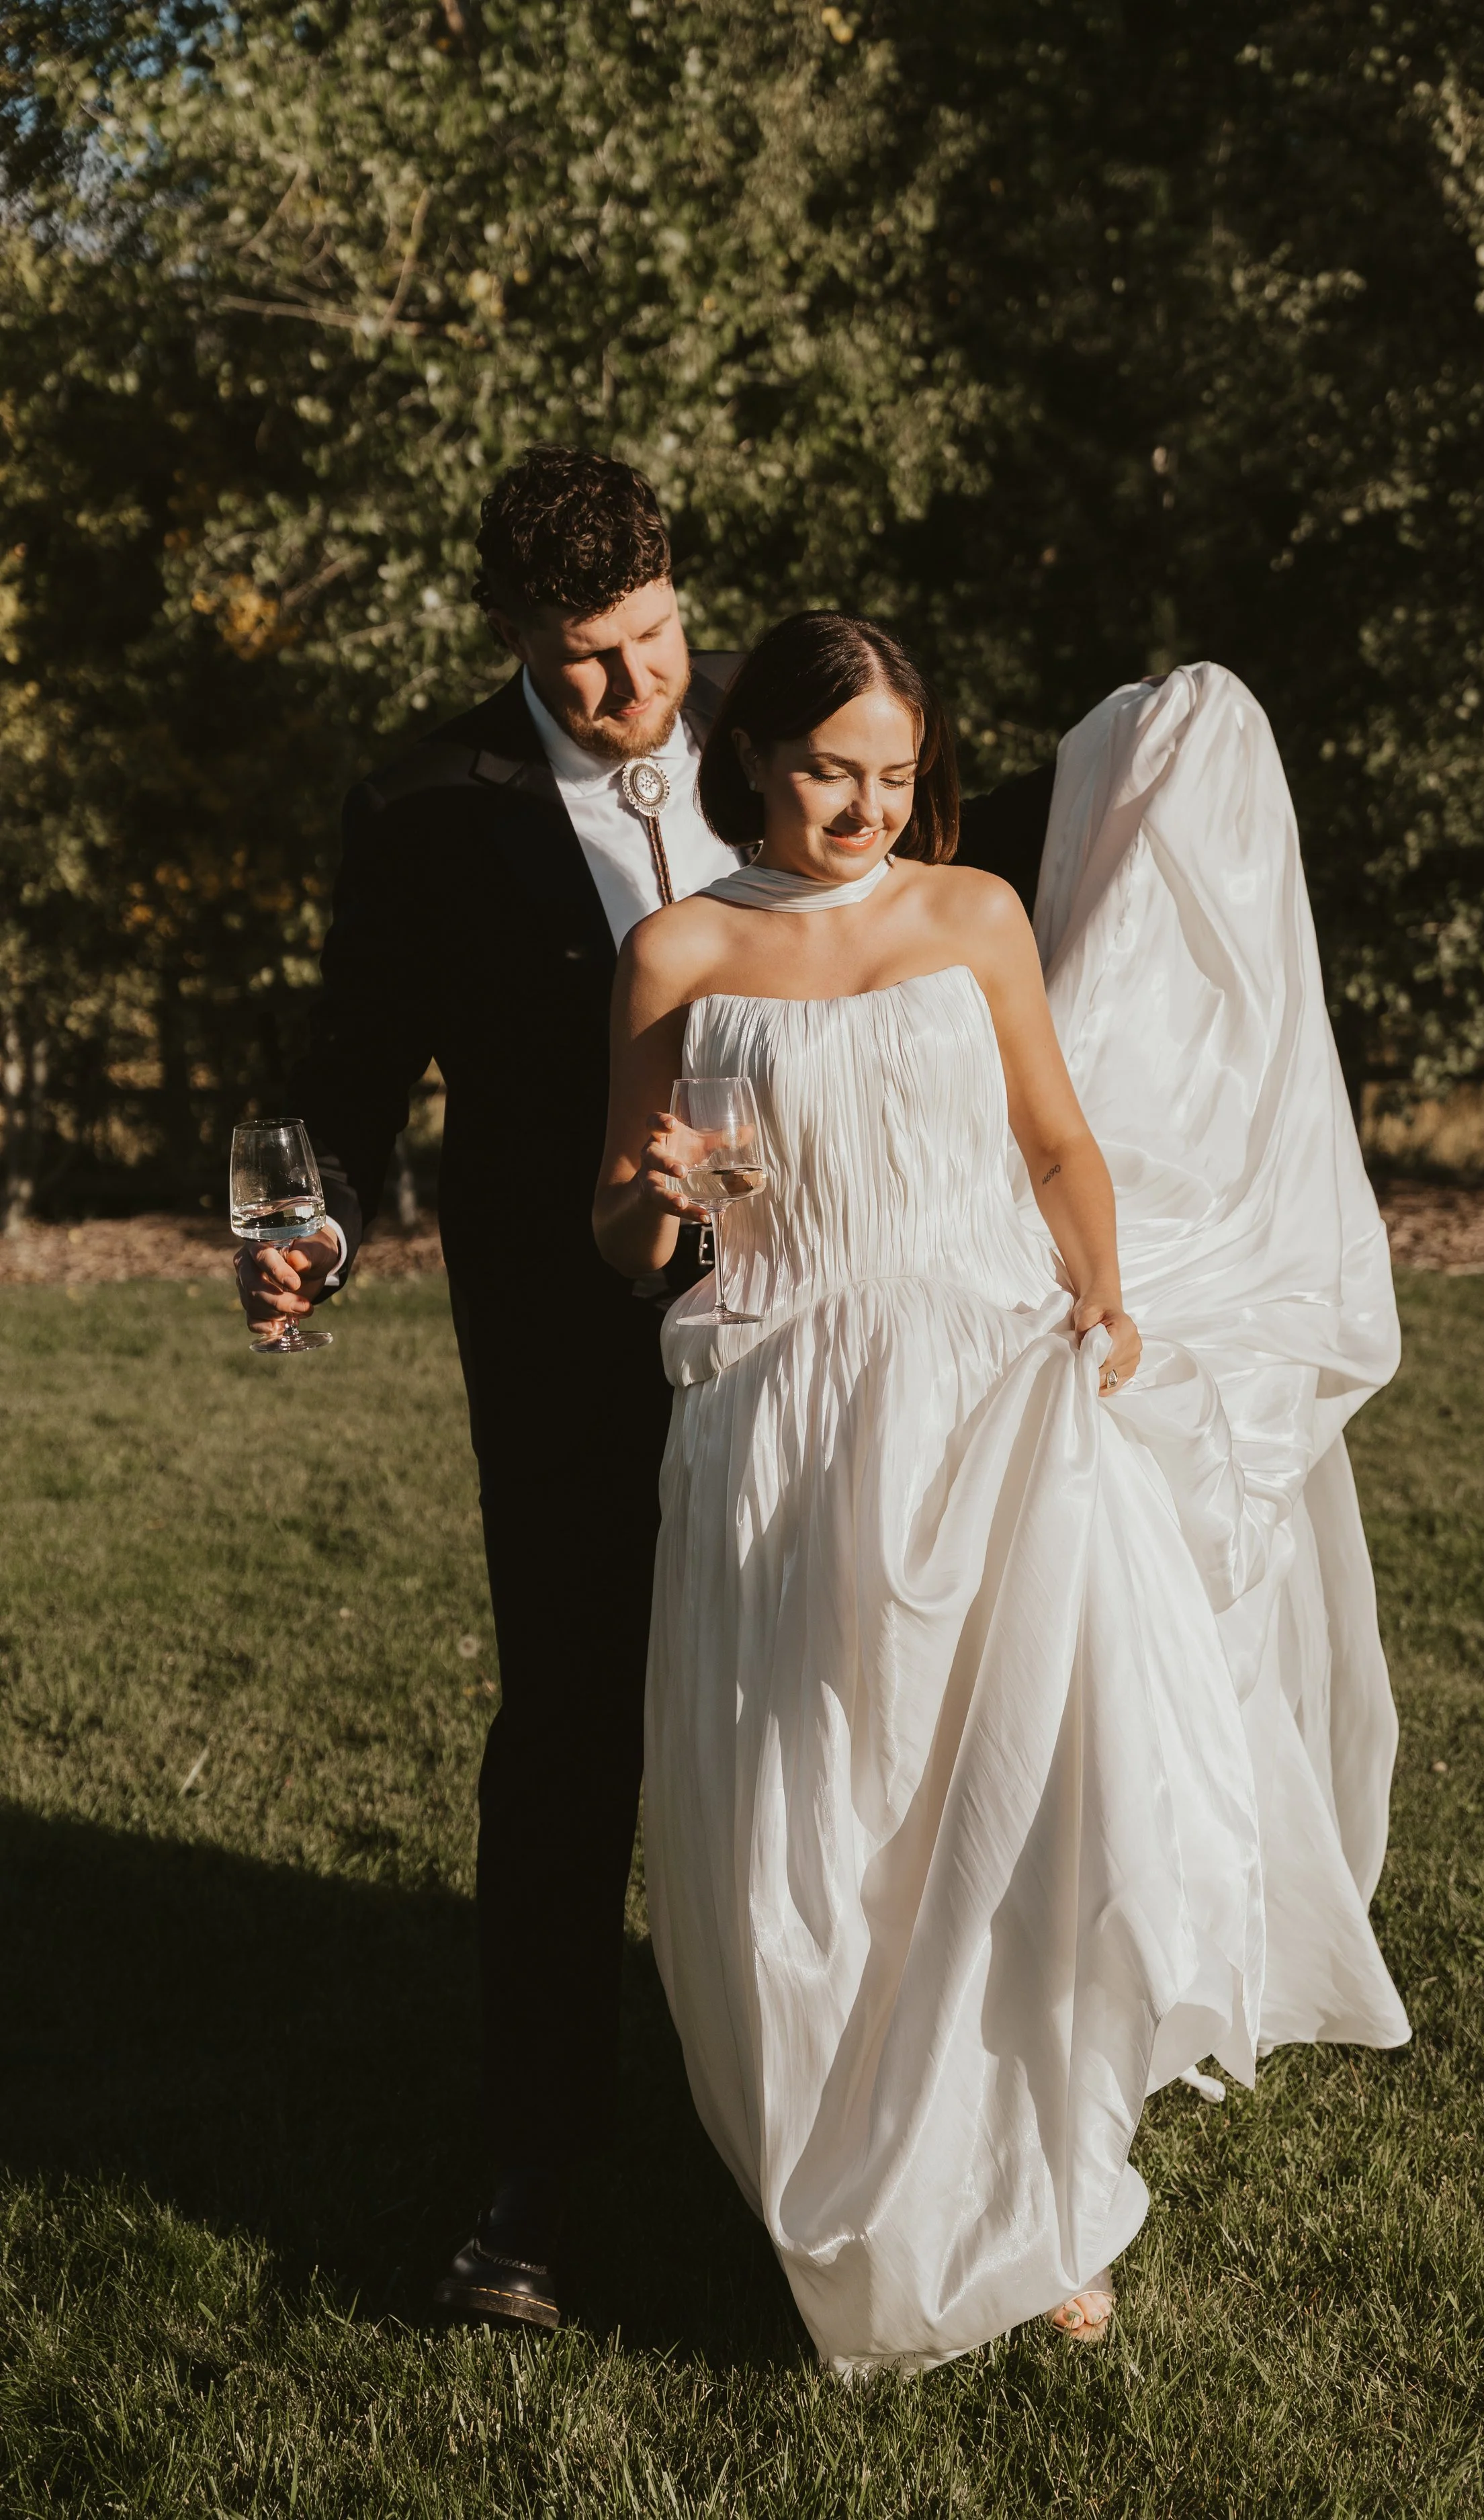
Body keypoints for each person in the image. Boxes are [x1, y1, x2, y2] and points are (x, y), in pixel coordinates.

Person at [594, 611, 1408, 2369]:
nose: (866, 809)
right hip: (784, 1418)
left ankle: (1041, 2193)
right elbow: (626, 1233)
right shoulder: (679, 948)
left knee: (1023, 1801)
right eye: (830, 772)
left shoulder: (972, 916)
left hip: (988, 1404)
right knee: (825, 1818)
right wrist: (660, 1193)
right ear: (753, 762)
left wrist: (1102, 1295)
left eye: (895, 775)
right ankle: (857, 2184)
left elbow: (1053, 1141)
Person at [236, 448, 756, 2326]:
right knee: (569, 1727)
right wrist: (304, 1221)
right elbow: (349, 1068)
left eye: (651, 638)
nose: (634, 686)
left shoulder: (781, 722)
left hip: (817, 1320)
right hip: (559, 1334)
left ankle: (827, 2127)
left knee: (827, 1695)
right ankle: (537, 2172)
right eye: (584, 658)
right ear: (512, 636)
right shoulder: (423, 806)